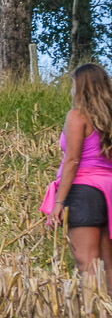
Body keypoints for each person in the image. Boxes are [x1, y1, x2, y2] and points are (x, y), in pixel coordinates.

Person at [42, 62, 112, 291]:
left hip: (85, 192)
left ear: (80, 87)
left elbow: (72, 161)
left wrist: (59, 202)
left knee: (87, 262)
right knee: (108, 265)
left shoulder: (77, 116)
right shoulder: (108, 119)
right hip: (109, 190)